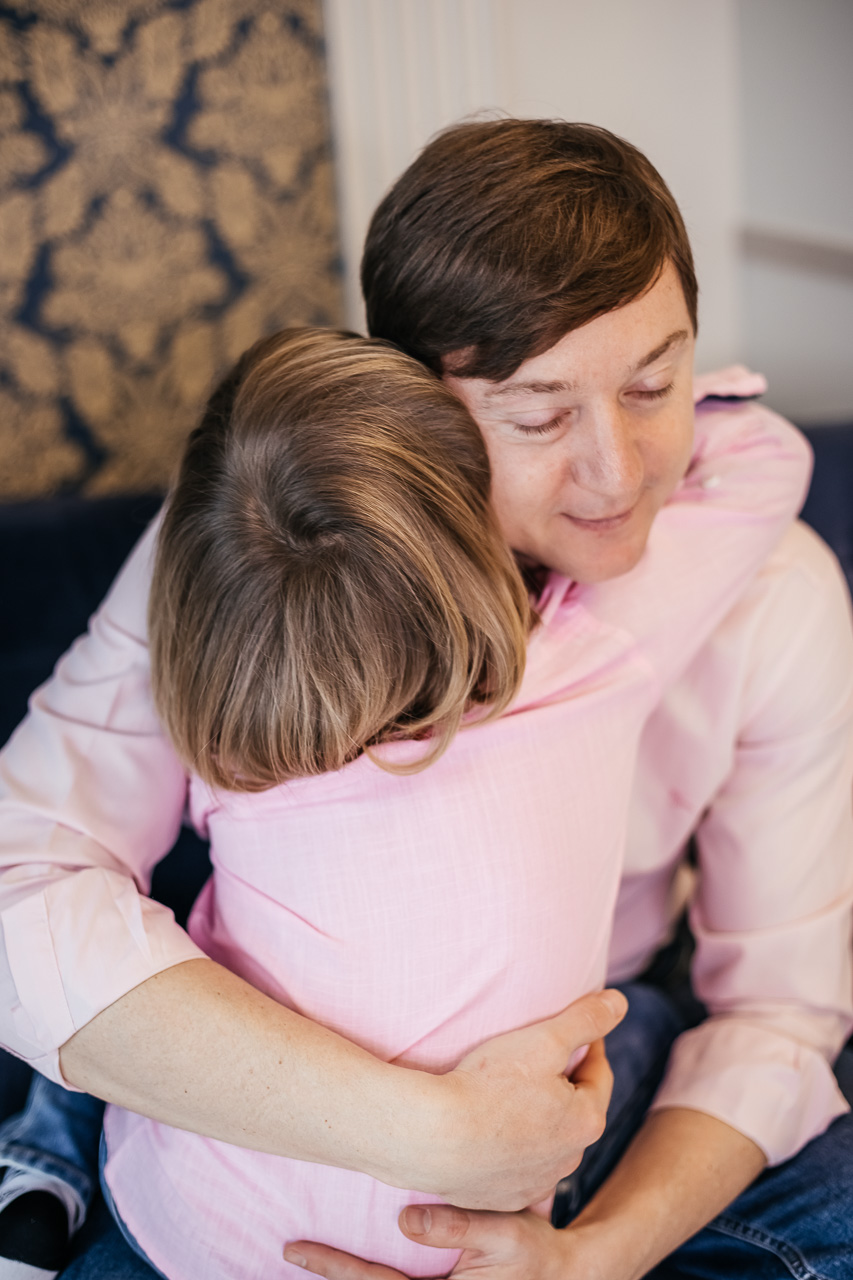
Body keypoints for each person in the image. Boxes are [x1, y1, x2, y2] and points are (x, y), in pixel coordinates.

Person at [0, 119, 848, 1280]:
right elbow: (21, 874)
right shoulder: (263, 539)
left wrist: (597, 1254)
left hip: (589, 1032)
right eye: (538, 416)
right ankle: (49, 1152)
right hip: (283, 1027)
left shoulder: (773, 588)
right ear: (408, 404)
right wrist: (420, 1129)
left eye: (655, 383)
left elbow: (779, 1012)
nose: (617, 472)